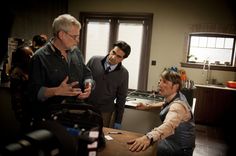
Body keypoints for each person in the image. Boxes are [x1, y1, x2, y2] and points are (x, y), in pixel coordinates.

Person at [28, 14, 94, 120]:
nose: (77, 40)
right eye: (75, 36)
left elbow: (87, 73)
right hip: (51, 117)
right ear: (62, 35)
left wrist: (88, 84)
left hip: (77, 113)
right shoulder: (39, 57)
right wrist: (56, 91)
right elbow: (33, 93)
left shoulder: (76, 51)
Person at [127, 69, 195, 156]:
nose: (160, 84)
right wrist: (148, 106)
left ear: (175, 86)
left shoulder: (178, 106)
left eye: (165, 82)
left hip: (180, 149)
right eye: (160, 81)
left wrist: (148, 137)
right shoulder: (177, 96)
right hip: (175, 143)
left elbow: (169, 125)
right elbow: (165, 103)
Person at [86, 41, 131, 129]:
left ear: (123, 59)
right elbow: (83, 78)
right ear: (110, 50)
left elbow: (121, 99)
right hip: (87, 106)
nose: (113, 57)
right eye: (113, 52)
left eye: (119, 56)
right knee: (83, 133)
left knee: (99, 136)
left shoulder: (124, 73)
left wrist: (118, 121)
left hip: (105, 112)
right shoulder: (94, 60)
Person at [10, 45, 33, 130]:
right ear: (21, 58)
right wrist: (20, 113)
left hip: (30, 107)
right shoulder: (17, 72)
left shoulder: (28, 69)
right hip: (24, 109)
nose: (31, 56)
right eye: (28, 55)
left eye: (31, 54)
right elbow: (16, 95)